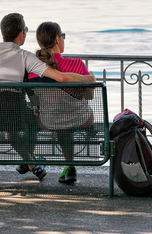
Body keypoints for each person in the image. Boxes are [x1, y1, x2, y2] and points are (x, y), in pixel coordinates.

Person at [0, 13, 95, 182]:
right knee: (34, 118)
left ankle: (29, 161)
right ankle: (37, 163)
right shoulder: (25, 57)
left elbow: (32, 96)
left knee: (29, 117)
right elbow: (61, 78)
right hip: (66, 117)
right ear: (21, 34)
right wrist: (90, 79)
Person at [29, 21, 94, 185]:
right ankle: (70, 166)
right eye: (62, 36)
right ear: (58, 39)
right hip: (81, 118)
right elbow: (90, 95)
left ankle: (30, 161)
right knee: (68, 115)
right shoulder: (77, 64)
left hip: (48, 120)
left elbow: (34, 99)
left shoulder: (34, 68)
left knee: (57, 114)